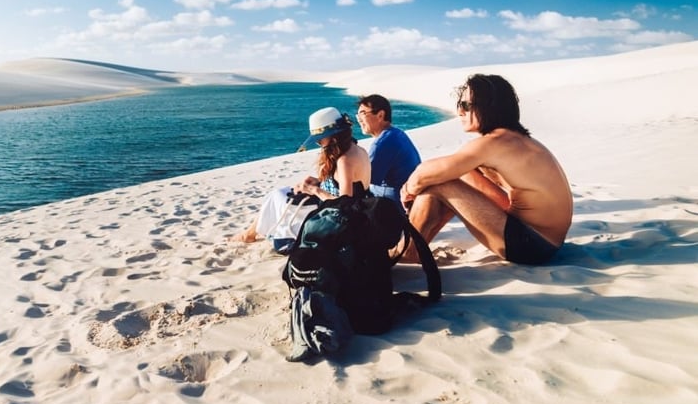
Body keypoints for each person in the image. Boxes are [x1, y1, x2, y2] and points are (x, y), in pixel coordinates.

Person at [395, 74, 572, 266]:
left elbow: (426, 172)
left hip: (530, 245)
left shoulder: (493, 144)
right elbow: (499, 197)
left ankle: (408, 250)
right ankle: (415, 247)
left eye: (465, 106)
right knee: (459, 174)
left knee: (441, 181)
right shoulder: (516, 140)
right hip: (544, 243)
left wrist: (409, 190)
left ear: (488, 107)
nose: (459, 113)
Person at [231, 106, 371, 244]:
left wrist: (315, 190)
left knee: (277, 197)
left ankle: (249, 235)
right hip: (336, 206)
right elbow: (346, 183)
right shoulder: (358, 150)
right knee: (281, 193)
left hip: (334, 217)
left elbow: (345, 204)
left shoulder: (344, 161)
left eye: (320, 139)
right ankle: (250, 233)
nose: (318, 143)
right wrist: (318, 182)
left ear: (333, 137)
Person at [354, 94, 421, 201]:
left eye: (363, 114)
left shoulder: (383, 143)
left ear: (380, 115)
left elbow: (364, 182)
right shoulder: (396, 133)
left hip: (395, 206)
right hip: (410, 198)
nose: (359, 120)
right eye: (358, 115)